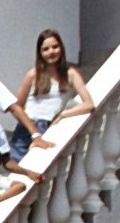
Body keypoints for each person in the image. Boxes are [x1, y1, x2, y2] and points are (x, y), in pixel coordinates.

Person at [10, 28, 94, 160]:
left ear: (61, 48)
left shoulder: (70, 74)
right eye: (46, 49)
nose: (51, 52)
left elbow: (89, 104)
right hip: (28, 129)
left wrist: (64, 114)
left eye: (55, 47)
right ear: (40, 53)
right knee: (20, 168)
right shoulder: (33, 74)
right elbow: (17, 107)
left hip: (50, 126)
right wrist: (31, 129)